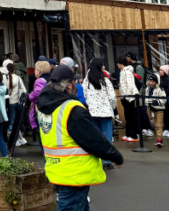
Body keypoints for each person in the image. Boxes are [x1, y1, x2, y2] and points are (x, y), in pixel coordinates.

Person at [38, 65, 124, 211]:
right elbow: (93, 139)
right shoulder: (71, 109)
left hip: (57, 170)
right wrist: (115, 156)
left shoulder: (44, 107)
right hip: (75, 173)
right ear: (69, 85)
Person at [84, 59, 117, 168]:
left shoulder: (87, 81)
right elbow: (112, 97)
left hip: (93, 112)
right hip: (105, 112)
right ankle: (107, 161)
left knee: (96, 136)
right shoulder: (105, 80)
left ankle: (96, 159)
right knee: (107, 136)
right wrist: (112, 108)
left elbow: (85, 95)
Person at [1, 59, 28, 147]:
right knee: (16, 121)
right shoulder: (17, 78)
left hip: (8, 103)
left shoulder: (4, 79)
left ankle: (19, 138)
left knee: (11, 122)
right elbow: (24, 90)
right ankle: (19, 137)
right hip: (17, 102)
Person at [29, 60, 52, 150]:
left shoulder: (39, 80)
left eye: (35, 69)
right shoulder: (50, 78)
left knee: (41, 135)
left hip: (40, 109)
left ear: (39, 71)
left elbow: (37, 93)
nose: (34, 71)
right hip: (49, 108)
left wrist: (30, 96)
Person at [117, 57, 140, 142]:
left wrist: (126, 96)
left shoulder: (127, 72)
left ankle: (133, 135)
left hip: (129, 98)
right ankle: (129, 134)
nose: (117, 65)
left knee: (131, 116)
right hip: (125, 97)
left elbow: (130, 85)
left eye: (118, 63)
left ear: (121, 63)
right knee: (128, 116)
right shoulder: (122, 72)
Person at [143, 74, 167, 148]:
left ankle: (159, 140)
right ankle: (158, 139)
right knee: (156, 124)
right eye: (150, 81)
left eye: (153, 81)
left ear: (156, 82)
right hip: (152, 109)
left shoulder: (160, 89)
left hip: (159, 109)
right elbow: (146, 98)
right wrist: (147, 104)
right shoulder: (147, 89)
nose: (151, 83)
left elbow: (164, 99)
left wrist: (155, 102)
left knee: (159, 124)